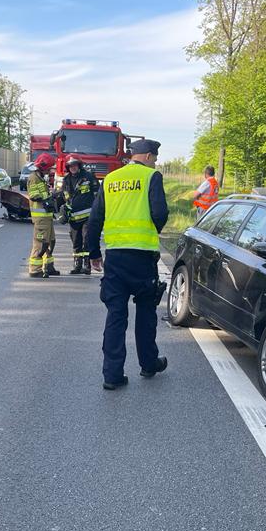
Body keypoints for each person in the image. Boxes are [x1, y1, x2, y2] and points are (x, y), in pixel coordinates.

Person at [87, 139, 169, 390]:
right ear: (147, 156)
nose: (155, 163)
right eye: (155, 158)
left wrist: (93, 252)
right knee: (145, 312)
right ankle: (148, 363)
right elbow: (160, 214)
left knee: (115, 315)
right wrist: (153, 230)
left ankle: (112, 375)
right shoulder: (151, 177)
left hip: (115, 258)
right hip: (143, 258)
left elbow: (95, 218)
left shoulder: (110, 179)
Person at [61, 156, 99, 274]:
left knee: (86, 239)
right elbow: (64, 195)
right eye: (70, 166)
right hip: (73, 217)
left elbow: (97, 194)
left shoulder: (88, 177)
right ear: (68, 167)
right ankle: (77, 265)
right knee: (76, 241)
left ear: (79, 166)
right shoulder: (66, 180)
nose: (73, 168)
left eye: (75, 165)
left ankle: (87, 265)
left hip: (88, 216)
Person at [27, 153, 60, 278]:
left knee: (50, 242)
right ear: (43, 167)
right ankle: (35, 270)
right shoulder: (33, 178)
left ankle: (49, 266)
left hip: (47, 217)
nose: (50, 170)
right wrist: (49, 197)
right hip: (40, 218)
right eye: (49, 168)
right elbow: (34, 195)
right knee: (41, 243)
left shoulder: (40, 177)